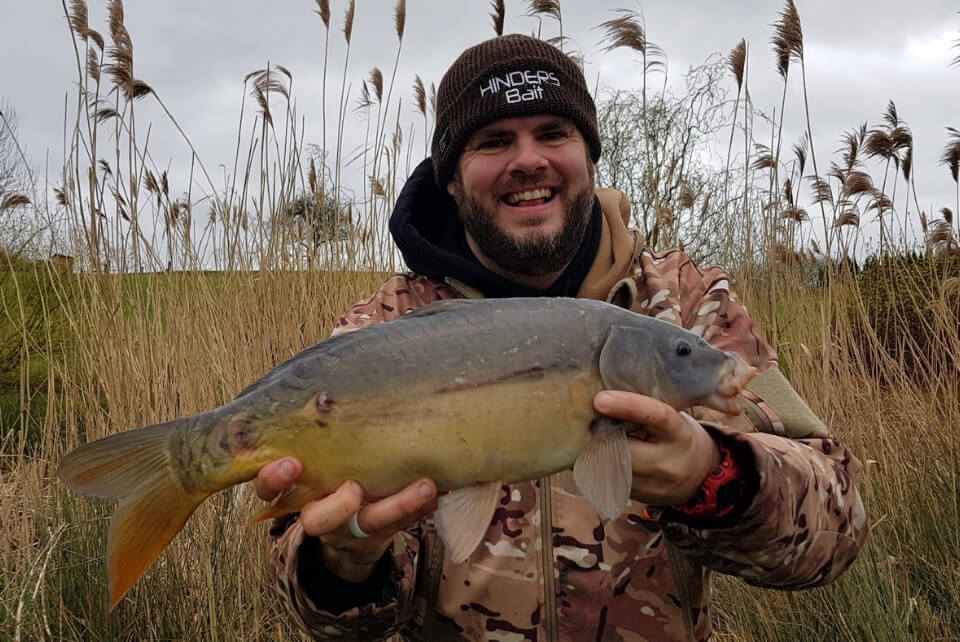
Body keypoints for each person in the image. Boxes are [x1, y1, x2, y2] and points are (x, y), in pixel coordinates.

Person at [256, 34, 867, 641]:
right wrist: (344, 560)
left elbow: (837, 527)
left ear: (589, 155)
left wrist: (712, 476)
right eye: (494, 141)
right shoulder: (382, 331)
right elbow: (322, 615)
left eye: (553, 133)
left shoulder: (683, 305)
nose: (528, 161)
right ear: (449, 177)